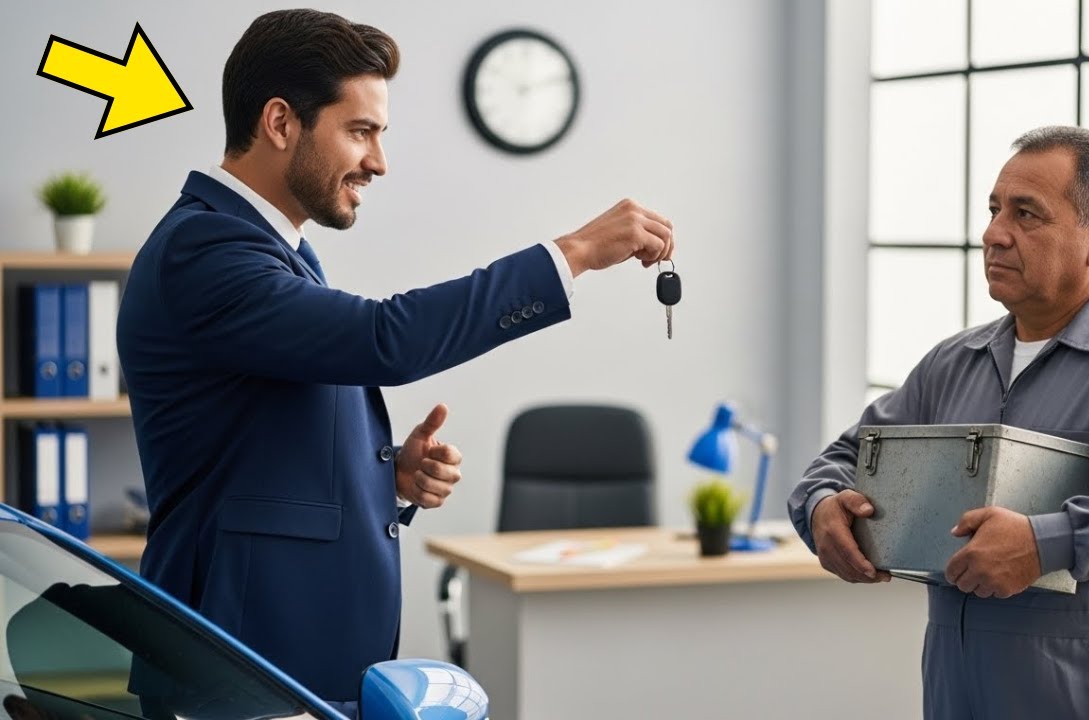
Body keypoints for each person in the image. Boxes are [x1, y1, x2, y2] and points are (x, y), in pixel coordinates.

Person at [116, 8, 674, 709]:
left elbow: (257, 446)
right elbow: (385, 339)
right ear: (281, 122)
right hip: (236, 672)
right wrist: (574, 254)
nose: (378, 162)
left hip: (280, 666)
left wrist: (384, 480)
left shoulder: (269, 250)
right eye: (360, 132)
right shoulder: (205, 251)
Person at [788, 126, 1089, 719]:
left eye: (1026, 214)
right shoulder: (954, 363)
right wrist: (822, 506)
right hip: (956, 691)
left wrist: (1046, 543)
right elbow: (847, 458)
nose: (994, 234)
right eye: (994, 210)